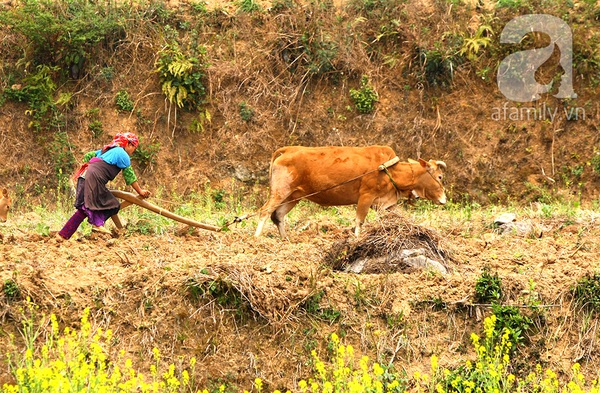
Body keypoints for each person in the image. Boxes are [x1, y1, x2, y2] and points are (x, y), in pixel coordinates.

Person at [56, 132, 151, 240]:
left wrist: (92, 167)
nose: (133, 151)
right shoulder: (122, 153)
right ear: (129, 144)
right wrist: (140, 191)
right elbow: (129, 176)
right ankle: (97, 224)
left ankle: (62, 235)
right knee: (113, 204)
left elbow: (88, 155)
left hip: (84, 177)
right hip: (94, 179)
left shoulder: (106, 150)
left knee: (84, 210)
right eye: (134, 147)